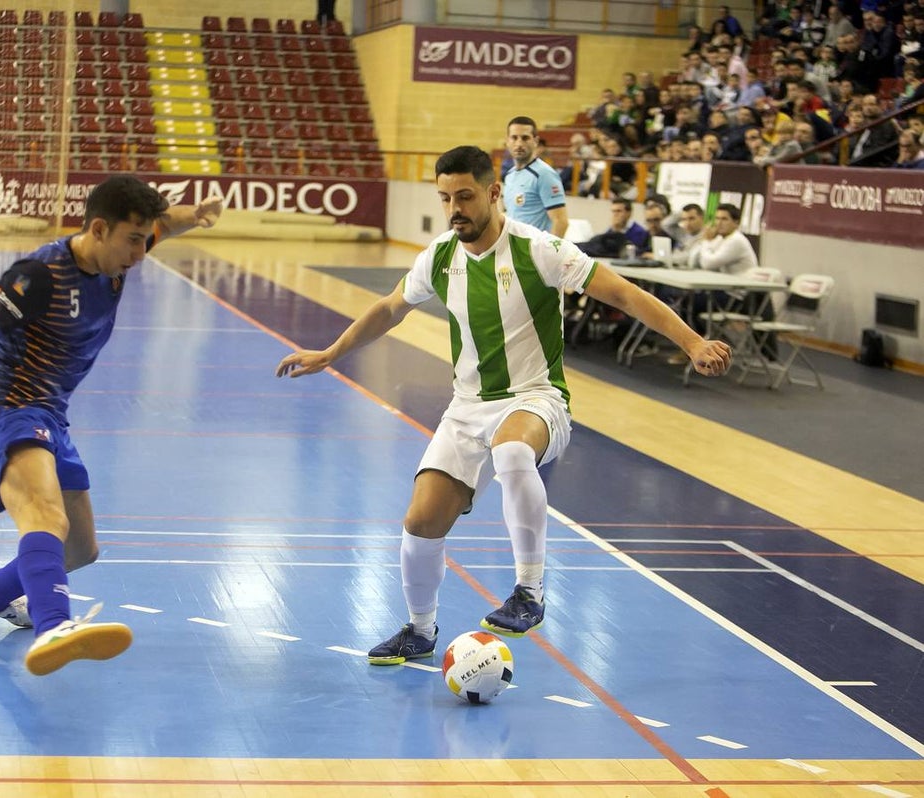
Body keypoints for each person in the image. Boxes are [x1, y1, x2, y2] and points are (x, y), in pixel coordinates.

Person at [274, 146, 731, 665]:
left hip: (537, 399)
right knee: (420, 524)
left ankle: (529, 591)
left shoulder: (541, 250)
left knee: (512, 452)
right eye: (445, 197)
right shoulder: (441, 256)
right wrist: (331, 353)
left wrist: (693, 342)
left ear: (495, 193)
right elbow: (388, 309)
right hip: (466, 408)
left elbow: (624, 294)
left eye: (465, 196)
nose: (454, 208)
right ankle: (420, 630)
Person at [0, 176, 223, 675]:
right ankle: (54, 624)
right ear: (99, 228)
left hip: (52, 416)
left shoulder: (119, 256)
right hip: (8, 412)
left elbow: (167, 222)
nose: (142, 253)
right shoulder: (39, 275)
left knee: (79, 548)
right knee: (47, 519)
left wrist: (199, 213)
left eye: (146, 240)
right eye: (134, 240)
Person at [501, 116, 569, 237]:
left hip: (536, 252)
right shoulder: (509, 175)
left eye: (525, 138)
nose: (519, 143)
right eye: (514, 138)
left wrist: (549, 254)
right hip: (514, 251)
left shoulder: (544, 174)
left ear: (535, 141)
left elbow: (561, 221)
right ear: (507, 141)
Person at [689, 202, 758, 274]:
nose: (719, 223)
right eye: (717, 218)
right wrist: (705, 240)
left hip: (743, 283)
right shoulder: (720, 238)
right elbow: (694, 259)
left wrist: (707, 241)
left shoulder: (736, 240)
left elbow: (708, 264)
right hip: (728, 282)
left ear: (736, 222)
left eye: (724, 219)